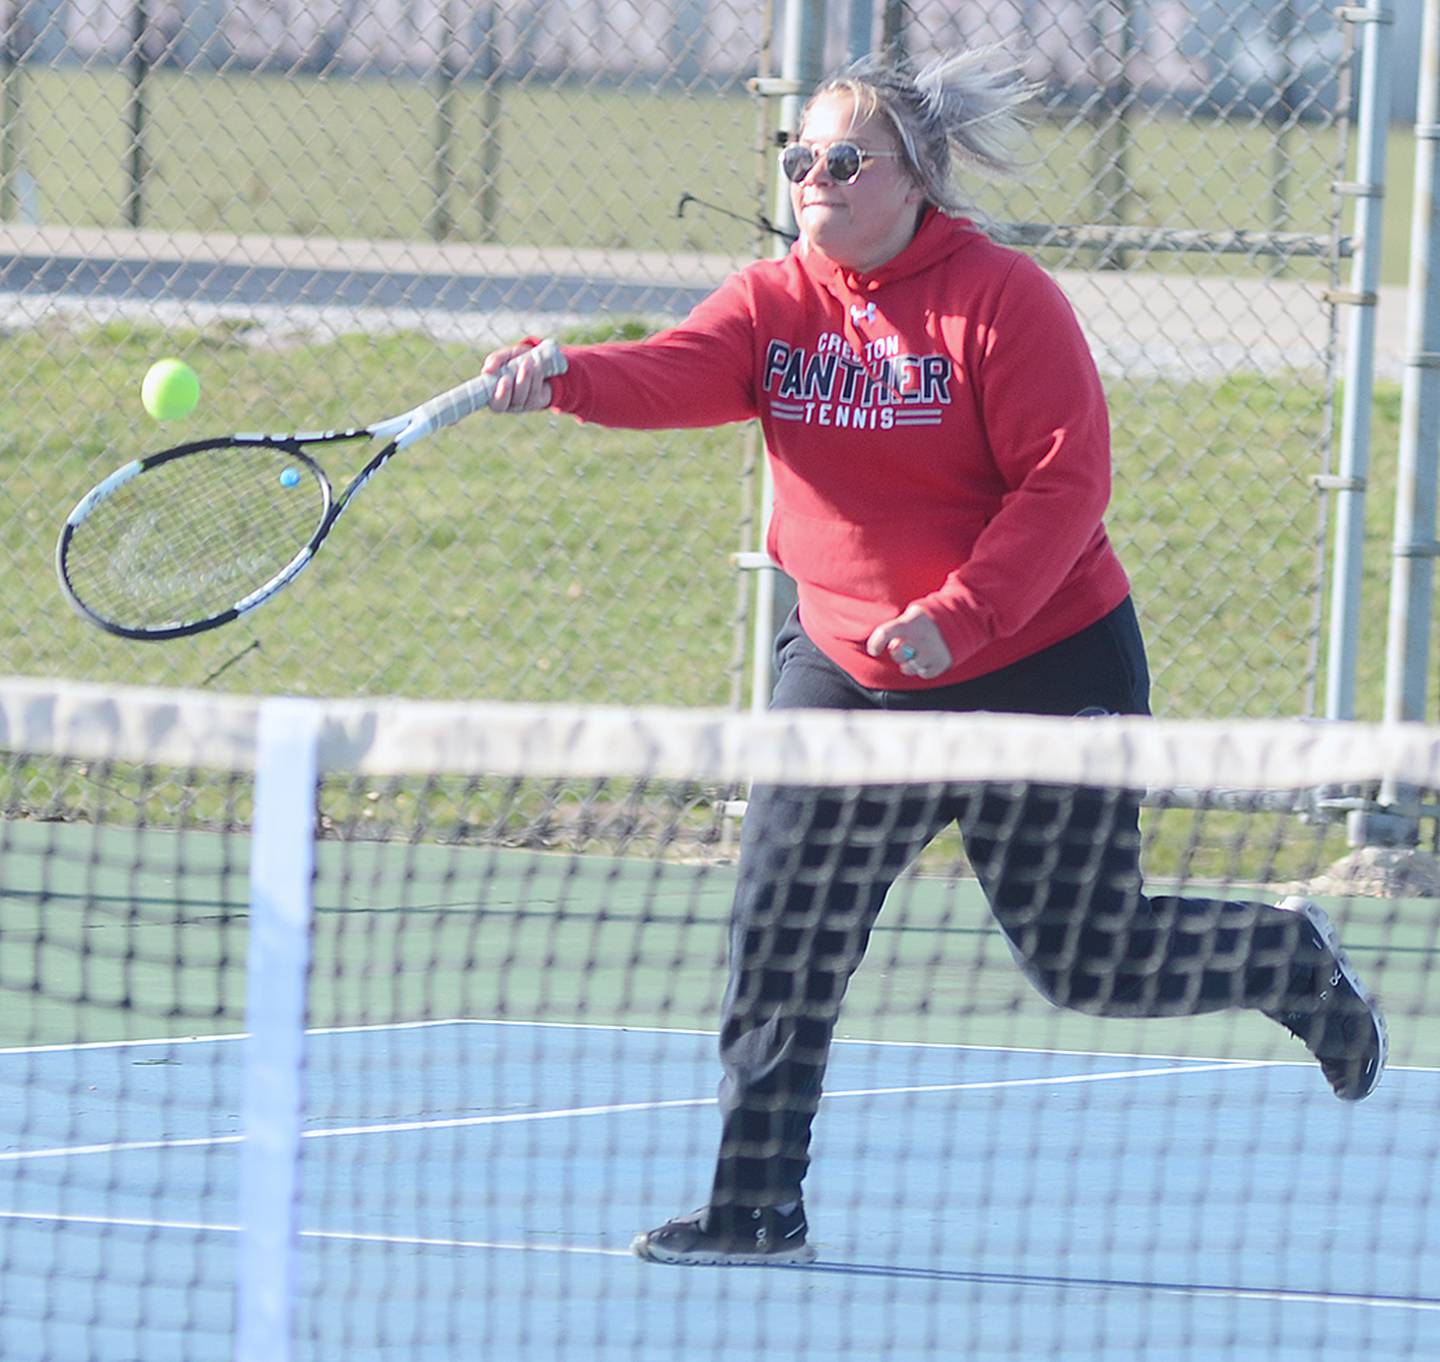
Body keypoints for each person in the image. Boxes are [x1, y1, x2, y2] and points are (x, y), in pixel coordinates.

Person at [479, 50, 1388, 1268]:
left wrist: (961, 615)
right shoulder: (774, 301)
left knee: (1089, 963)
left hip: (1039, 667)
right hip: (847, 671)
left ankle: (1285, 960)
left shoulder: (1003, 301)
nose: (814, 179)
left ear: (918, 180)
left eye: (844, 160)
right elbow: (678, 368)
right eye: (799, 158)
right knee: (783, 924)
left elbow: (1068, 483)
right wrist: (569, 377)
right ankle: (758, 1205)